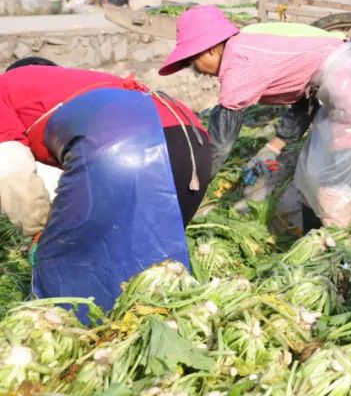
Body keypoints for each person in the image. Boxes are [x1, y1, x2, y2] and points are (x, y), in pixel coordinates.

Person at [0, 57, 211, 314]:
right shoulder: (76, 83)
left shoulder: (4, 87)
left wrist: (38, 230)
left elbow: (10, 168)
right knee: (152, 271)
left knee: (65, 262)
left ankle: (79, 333)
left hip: (125, 144)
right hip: (191, 140)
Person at [159, 6, 351, 228]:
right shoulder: (247, 42)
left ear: (210, 49)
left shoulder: (239, 64)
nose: (196, 69)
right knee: (313, 177)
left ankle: (341, 256)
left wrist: (184, 195)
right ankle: (323, 245)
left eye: (193, 61)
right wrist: (273, 147)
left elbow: (218, 147)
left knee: (333, 190)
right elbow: (308, 95)